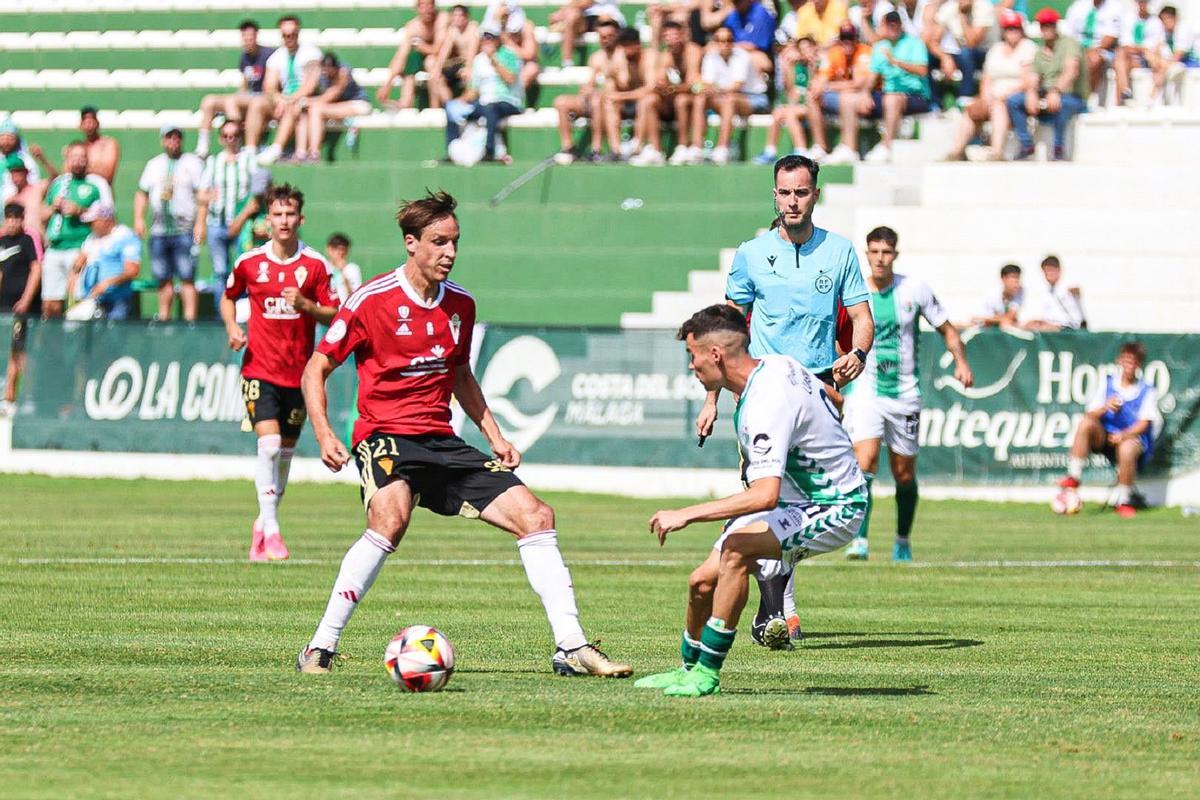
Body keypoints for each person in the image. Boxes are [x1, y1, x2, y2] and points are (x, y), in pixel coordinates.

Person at [295, 190, 632, 679]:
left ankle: (572, 647)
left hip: (442, 441)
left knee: (536, 516)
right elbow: (316, 369)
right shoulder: (370, 301)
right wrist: (325, 434)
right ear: (411, 244)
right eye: (438, 242)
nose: (449, 252)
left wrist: (493, 434)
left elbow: (460, 375)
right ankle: (320, 647)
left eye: (454, 242)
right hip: (386, 436)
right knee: (391, 518)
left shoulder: (461, 305)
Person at [636, 304, 868, 697]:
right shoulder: (778, 364)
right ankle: (687, 667)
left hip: (836, 505)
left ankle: (707, 673)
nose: (691, 366)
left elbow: (764, 494)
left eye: (692, 355)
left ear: (715, 355)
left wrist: (686, 514)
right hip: (796, 501)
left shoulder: (765, 402)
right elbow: (834, 398)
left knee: (736, 552)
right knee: (700, 583)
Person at [702, 154, 874, 647]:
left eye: (801, 192)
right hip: (763, 390)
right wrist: (711, 397)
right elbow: (725, 335)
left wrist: (858, 353)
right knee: (768, 496)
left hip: (818, 388)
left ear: (815, 195)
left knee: (816, 499)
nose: (792, 201)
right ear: (773, 195)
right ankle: (777, 612)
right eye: (784, 192)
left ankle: (777, 607)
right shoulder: (752, 253)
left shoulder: (839, 251)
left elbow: (862, 317)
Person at [221, 184, 340, 562]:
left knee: (284, 456)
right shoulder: (250, 263)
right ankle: (272, 532)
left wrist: (306, 304)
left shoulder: (315, 265)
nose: (284, 221)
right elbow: (228, 297)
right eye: (277, 214)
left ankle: (264, 522)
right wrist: (233, 329)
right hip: (259, 368)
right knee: (269, 446)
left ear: (300, 219)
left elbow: (335, 313)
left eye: (290, 215)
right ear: (267, 219)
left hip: (300, 375)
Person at [840, 226, 973, 562]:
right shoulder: (855, 292)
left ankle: (901, 539)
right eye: (874, 252)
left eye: (886, 252)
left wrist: (960, 361)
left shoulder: (915, 289)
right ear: (866, 254)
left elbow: (946, 327)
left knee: (904, 474)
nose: (880, 259)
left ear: (895, 255)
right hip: (866, 390)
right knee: (864, 463)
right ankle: (860, 539)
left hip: (905, 394)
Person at [1057, 341, 1160, 518]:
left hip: (1131, 439)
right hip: (1105, 437)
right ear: (1119, 361)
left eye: (1133, 361)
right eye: (1126, 360)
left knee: (1128, 448)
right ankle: (1073, 477)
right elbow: (1090, 413)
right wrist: (1106, 407)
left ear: (1139, 365)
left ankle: (1124, 501)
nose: (1129, 365)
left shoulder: (1146, 390)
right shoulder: (1107, 383)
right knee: (1086, 423)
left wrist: (1123, 435)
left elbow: (1144, 423)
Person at [195, 120, 269, 313]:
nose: (231, 140)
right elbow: (201, 194)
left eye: (234, 135)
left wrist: (243, 217)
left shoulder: (248, 160)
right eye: (227, 136)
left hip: (242, 224)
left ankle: (245, 314)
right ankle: (223, 316)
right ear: (221, 139)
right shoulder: (214, 162)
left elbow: (258, 193)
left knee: (244, 269)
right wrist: (207, 201)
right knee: (220, 272)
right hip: (216, 223)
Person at [135, 124, 205, 321]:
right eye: (169, 137)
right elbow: (142, 193)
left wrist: (200, 223)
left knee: (187, 277)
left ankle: (190, 319)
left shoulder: (192, 163)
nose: (173, 141)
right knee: (163, 278)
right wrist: (139, 218)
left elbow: (202, 196)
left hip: (184, 230)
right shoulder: (154, 164)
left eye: (177, 137)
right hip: (159, 230)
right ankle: (164, 318)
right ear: (163, 140)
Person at [946, 9, 1034, 162]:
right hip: (992, 95)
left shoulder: (1028, 48)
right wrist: (986, 95)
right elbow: (986, 77)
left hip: (1014, 97)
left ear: (1021, 30)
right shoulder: (996, 49)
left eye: (1015, 28)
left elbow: (1028, 80)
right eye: (1008, 28)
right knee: (971, 110)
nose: (1012, 32)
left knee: (999, 106)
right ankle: (956, 151)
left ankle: (996, 152)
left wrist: (1005, 93)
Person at [40, 141, 113, 319]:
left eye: (82, 158)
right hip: (55, 249)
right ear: (67, 159)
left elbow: (108, 218)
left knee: (79, 303)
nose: (78, 162)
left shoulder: (96, 184)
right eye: (74, 157)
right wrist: (53, 208)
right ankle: (55, 344)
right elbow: (42, 214)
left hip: (79, 249)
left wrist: (79, 210)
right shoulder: (58, 183)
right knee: (50, 305)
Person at [1008, 8, 1089, 161]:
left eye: (1050, 25)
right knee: (1014, 101)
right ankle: (1026, 144)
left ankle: (1059, 148)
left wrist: (1055, 90)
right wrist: (1031, 92)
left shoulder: (1069, 43)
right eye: (1043, 25)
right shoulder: (1040, 52)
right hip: (1049, 94)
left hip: (1073, 96)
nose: (1047, 29)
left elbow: (1071, 71)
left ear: (1056, 26)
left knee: (1062, 104)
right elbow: (1034, 76)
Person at [686, 28, 770, 165]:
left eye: (728, 40)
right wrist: (705, 89)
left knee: (729, 100)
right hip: (725, 98)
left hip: (754, 98)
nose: (724, 44)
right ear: (715, 42)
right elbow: (707, 84)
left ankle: (722, 148)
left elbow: (737, 86)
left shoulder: (742, 56)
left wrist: (712, 90)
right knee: (701, 98)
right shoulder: (710, 56)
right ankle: (696, 147)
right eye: (720, 40)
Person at [861, 11, 933, 164]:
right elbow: (873, 76)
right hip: (889, 94)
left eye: (896, 24)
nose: (893, 28)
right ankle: (848, 148)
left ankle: (886, 146)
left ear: (901, 25)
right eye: (889, 25)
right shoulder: (880, 47)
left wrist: (896, 62)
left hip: (916, 95)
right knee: (850, 101)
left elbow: (922, 70)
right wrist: (865, 94)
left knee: (892, 99)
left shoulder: (915, 43)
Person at [445, 28, 524, 164]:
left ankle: (490, 151)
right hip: (484, 102)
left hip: (508, 101)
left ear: (498, 40)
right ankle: (452, 150)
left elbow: (510, 79)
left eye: (491, 38)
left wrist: (493, 60)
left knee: (490, 107)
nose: (487, 41)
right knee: (451, 107)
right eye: (485, 38)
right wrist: (460, 102)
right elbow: (473, 90)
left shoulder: (509, 55)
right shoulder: (479, 60)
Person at [197, 20, 275, 156]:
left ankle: (236, 143)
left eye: (250, 38)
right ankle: (202, 147)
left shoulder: (268, 55)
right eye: (245, 38)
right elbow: (244, 85)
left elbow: (271, 86)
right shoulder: (244, 57)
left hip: (263, 99)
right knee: (209, 101)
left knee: (232, 101)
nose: (247, 41)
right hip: (249, 98)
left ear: (256, 36)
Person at [629, 19, 701, 166]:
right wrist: (662, 87)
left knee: (682, 99)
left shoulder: (693, 51)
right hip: (671, 102)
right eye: (667, 37)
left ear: (682, 36)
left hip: (693, 100)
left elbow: (693, 84)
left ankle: (682, 147)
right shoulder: (664, 57)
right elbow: (660, 81)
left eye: (674, 36)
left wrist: (673, 88)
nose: (671, 40)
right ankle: (656, 150)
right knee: (649, 100)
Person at [251, 16, 322, 163]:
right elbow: (269, 87)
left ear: (298, 33)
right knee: (257, 103)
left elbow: (310, 85)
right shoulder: (276, 57)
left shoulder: (311, 53)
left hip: (304, 99)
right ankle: (250, 149)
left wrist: (288, 99)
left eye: (292, 34)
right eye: (285, 35)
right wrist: (279, 99)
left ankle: (277, 148)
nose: (289, 38)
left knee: (294, 106)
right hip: (285, 99)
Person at [553, 19, 621, 164]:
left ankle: (596, 149)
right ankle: (568, 148)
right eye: (603, 37)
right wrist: (586, 91)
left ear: (617, 35)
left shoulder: (622, 55)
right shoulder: (596, 57)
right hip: (597, 99)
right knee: (561, 102)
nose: (606, 40)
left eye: (610, 36)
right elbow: (591, 81)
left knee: (597, 99)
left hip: (616, 101)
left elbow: (624, 84)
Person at [811, 22, 876, 163]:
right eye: (844, 38)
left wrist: (829, 85)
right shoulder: (834, 53)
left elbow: (859, 83)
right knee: (812, 96)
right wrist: (819, 85)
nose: (847, 42)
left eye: (850, 38)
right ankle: (820, 147)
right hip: (842, 95)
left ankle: (849, 148)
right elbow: (821, 78)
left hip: (865, 97)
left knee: (847, 97)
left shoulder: (864, 52)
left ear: (856, 38)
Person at [0, 202, 41, 417]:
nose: (12, 222)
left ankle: (29, 397)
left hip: (22, 308)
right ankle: (9, 398)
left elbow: (36, 270)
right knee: (8, 353)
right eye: (9, 218)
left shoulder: (27, 241)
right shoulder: (2, 242)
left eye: (16, 218)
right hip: (4, 306)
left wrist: (26, 299)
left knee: (21, 354)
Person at [67, 203, 141, 321]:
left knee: (113, 337)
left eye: (93, 222)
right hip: (91, 302)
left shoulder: (125, 236)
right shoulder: (91, 238)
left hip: (117, 303)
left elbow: (132, 270)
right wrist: (74, 273)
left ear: (106, 220)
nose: (90, 226)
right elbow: (81, 258)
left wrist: (107, 283)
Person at [753, 36, 819, 164]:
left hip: (815, 107)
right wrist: (788, 66)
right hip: (799, 105)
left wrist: (812, 66)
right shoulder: (798, 67)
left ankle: (801, 150)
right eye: (802, 49)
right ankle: (770, 151)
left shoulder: (819, 63)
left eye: (808, 48)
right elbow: (791, 93)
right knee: (778, 112)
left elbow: (813, 87)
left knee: (789, 113)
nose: (806, 52)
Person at [296, 53, 372, 163]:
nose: (326, 73)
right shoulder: (323, 75)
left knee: (316, 109)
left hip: (358, 104)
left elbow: (330, 96)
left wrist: (306, 102)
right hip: (340, 107)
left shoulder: (343, 72)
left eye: (328, 70)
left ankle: (314, 153)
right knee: (307, 112)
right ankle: (301, 152)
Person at [377, 0, 446, 110]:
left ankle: (435, 107)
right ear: (417, 8)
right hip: (423, 57)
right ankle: (405, 102)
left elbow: (439, 48)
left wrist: (423, 47)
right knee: (410, 60)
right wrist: (387, 85)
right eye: (423, 6)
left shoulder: (441, 19)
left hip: (444, 58)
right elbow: (401, 55)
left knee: (430, 61)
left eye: (430, 5)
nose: (427, 9)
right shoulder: (413, 26)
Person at [601, 27, 655, 161]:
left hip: (646, 102)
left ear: (638, 44)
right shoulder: (621, 57)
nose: (626, 50)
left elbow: (650, 88)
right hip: (629, 102)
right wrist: (617, 71)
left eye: (628, 46)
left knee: (647, 100)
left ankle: (637, 148)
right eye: (623, 47)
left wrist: (620, 96)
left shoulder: (650, 58)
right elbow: (622, 84)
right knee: (609, 101)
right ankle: (615, 150)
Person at [928, 0, 997, 100]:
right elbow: (932, 41)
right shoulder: (949, 8)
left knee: (966, 53)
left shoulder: (984, 7)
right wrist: (945, 58)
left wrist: (962, 15)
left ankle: (965, 97)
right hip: (962, 52)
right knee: (929, 57)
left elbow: (972, 43)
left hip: (986, 52)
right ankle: (933, 102)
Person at [1064, 0, 1122, 96]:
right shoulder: (1078, 6)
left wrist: (1090, 50)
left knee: (1094, 59)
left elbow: (1110, 37)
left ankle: (1088, 96)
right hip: (1077, 48)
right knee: (1070, 59)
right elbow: (1068, 32)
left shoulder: (1114, 7)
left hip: (1103, 49)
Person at [1114, 0, 1167, 106]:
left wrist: (1142, 50)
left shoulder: (1155, 22)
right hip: (1132, 57)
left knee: (1158, 62)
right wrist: (1143, 49)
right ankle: (1124, 92)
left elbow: (1157, 46)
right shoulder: (1128, 18)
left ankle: (1150, 98)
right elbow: (1125, 45)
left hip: (1147, 58)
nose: (1142, 4)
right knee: (1121, 56)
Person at [429, 5, 480, 109]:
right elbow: (445, 51)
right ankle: (449, 104)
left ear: (466, 17)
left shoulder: (473, 28)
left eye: (460, 15)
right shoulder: (452, 30)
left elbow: (472, 52)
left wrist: (468, 67)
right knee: (435, 76)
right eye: (455, 15)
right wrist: (437, 69)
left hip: (475, 62)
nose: (458, 18)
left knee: (469, 76)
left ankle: (469, 107)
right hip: (460, 62)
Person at [552, 0, 626, 68]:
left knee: (605, 21)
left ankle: (609, 63)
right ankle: (567, 63)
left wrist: (561, 12)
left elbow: (586, 2)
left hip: (609, 15)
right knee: (571, 16)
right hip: (587, 18)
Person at [1022, 254, 1085, 331]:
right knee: (1028, 325)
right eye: (1046, 272)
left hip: (1068, 328)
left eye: (1051, 271)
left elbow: (1077, 290)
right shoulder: (1049, 291)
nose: (1048, 275)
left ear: (1059, 270)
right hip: (1052, 325)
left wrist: (1074, 291)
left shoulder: (1067, 284)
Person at [721, 0, 777, 75]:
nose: (737, 4)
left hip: (760, 55)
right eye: (734, 2)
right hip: (735, 54)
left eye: (739, 2)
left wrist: (730, 46)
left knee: (756, 59)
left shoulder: (760, 13)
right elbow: (723, 40)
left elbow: (754, 46)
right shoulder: (732, 16)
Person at [2, 154, 49, 242]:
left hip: (40, 241)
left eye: (18, 173)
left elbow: (56, 178)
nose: (16, 178)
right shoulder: (10, 201)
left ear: (26, 173)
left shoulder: (38, 188)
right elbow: (6, 227)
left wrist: (43, 160)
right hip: (20, 246)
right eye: (13, 174)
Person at [79, 107, 120, 185]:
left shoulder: (108, 144)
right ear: (81, 125)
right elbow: (68, 173)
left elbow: (107, 175)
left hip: (102, 194)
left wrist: (80, 169)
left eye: (91, 121)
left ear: (97, 123)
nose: (89, 125)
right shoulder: (79, 148)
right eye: (85, 122)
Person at [324, 232, 362, 303]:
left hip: (344, 311)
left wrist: (342, 273)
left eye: (343, 249)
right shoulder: (322, 267)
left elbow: (355, 297)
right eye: (336, 249)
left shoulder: (353, 269)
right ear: (328, 249)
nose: (340, 252)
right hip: (324, 311)